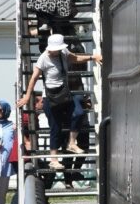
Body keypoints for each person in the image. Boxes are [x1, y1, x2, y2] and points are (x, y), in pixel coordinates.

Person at [17, 34, 102, 167]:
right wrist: (27, 96)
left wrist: (92, 57)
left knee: (79, 113)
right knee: (55, 128)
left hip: (64, 93)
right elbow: (33, 78)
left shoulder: (63, 52)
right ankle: (54, 159)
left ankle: (72, 143)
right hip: (50, 97)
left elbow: (74, 58)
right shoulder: (43, 59)